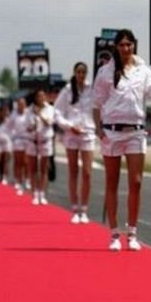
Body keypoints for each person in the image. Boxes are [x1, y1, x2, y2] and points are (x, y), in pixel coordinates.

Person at [92, 28, 151, 251]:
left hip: (135, 132)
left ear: (134, 45)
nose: (126, 48)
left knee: (136, 182)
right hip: (112, 132)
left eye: (129, 44)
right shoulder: (105, 72)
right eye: (122, 45)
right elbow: (96, 103)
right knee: (112, 182)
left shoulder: (143, 70)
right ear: (116, 47)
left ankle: (132, 232)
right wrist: (99, 129)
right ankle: (114, 233)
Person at [54, 62, 95, 223]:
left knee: (87, 172)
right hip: (71, 134)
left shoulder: (92, 89)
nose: (81, 75)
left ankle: (84, 208)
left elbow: (101, 107)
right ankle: (74, 209)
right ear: (74, 72)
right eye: (78, 72)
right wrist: (69, 126)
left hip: (88, 133)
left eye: (83, 72)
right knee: (73, 171)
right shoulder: (67, 90)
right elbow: (57, 112)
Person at [25, 88, 55, 205]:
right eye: (39, 96)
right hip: (32, 141)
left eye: (43, 96)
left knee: (43, 169)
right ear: (35, 98)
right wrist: (31, 126)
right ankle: (34, 193)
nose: (41, 98)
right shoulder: (29, 110)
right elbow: (27, 126)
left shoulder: (50, 109)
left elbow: (49, 122)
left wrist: (40, 115)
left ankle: (42, 193)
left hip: (45, 141)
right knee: (33, 169)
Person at [9, 97, 29, 195]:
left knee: (26, 161)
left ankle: (27, 179)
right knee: (18, 162)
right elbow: (10, 127)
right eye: (19, 104)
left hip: (27, 139)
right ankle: (18, 181)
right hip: (17, 140)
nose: (21, 106)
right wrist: (13, 136)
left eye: (23, 104)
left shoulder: (28, 113)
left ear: (25, 105)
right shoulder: (13, 114)